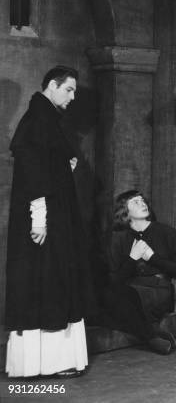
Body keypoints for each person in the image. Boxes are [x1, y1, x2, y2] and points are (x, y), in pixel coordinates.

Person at [5, 66, 94, 378]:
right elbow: (32, 173)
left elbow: (49, 166)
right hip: (44, 217)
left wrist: (63, 167)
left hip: (54, 215)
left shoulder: (47, 119)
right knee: (46, 278)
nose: (72, 97)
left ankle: (50, 362)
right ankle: (47, 363)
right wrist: (39, 219)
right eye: (68, 90)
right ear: (52, 86)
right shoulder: (40, 119)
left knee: (52, 278)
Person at [102, 190, 176, 355]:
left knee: (116, 301)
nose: (142, 203)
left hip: (158, 291)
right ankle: (151, 335)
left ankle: (148, 332)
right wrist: (132, 258)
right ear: (125, 212)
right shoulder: (118, 237)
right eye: (135, 202)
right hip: (130, 290)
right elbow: (116, 279)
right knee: (108, 294)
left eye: (142, 200)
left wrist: (153, 257)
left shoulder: (166, 232)